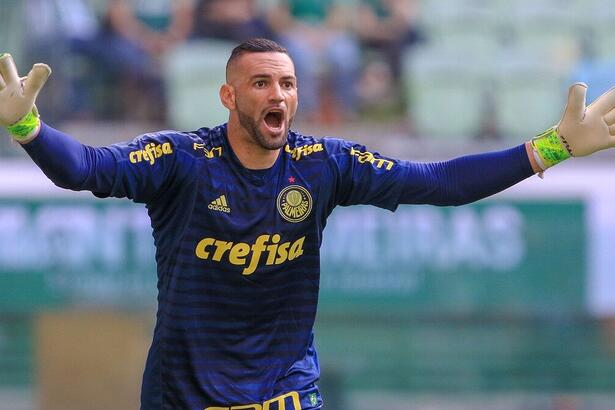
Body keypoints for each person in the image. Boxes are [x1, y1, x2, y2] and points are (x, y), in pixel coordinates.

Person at [1, 38, 615, 410]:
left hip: (285, 388)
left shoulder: (324, 165)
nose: (278, 94)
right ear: (228, 96)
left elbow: (440, 183)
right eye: (262, 83)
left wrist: (554, 146)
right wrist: (28, 128)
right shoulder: (181, 161)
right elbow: (81, 167)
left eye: (288, 83)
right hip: (185, 393)